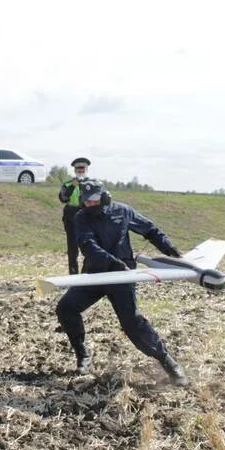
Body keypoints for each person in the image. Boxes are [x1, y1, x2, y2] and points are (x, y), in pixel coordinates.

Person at [55, 180, 189, 386]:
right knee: (66, 308)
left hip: (123, 277)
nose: (90, 204)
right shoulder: (81, 217)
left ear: (104, 196)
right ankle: (83, 356)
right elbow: (87, 245)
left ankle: (169, 362)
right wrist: (112, 262)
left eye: (94, 200)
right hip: (96, 274)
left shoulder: (123, 211)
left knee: (132, 323)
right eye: (86, 201)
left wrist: (173, 253)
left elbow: (151, 230)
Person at [58, 157, 91, 274]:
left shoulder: (93, 184)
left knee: (89, 247)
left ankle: (86, 273)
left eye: (83, 169)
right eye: (78, 169)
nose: (81, 171)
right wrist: (73, 186)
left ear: (87, 169)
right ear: (75, 170)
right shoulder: (67, 184)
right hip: (71, 217)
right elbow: (63, 198)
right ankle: (73, 275)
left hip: (88, 217)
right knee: (72, 249)